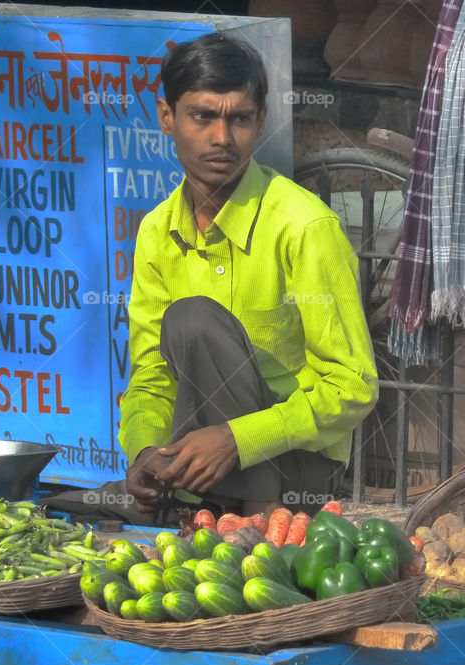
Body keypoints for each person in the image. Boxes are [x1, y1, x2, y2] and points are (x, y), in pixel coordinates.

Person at [119, 32, 378, 520]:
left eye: (239, 118)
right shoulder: (156, 231)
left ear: (259, 122)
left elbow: (353, 386)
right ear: (167, 117)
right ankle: (197, 511)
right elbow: (151, 375)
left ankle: (255, 525)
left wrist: (238, 440)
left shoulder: (304, 226)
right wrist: (144, 451)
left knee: (193, 319)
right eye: (202, 116)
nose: (222, 138)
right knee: (86, 508)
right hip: (199, 463)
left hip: (290, 473)